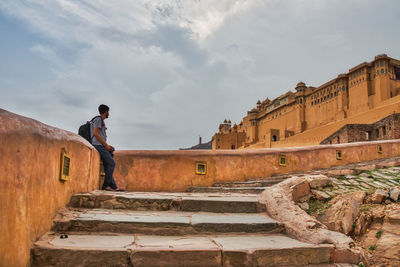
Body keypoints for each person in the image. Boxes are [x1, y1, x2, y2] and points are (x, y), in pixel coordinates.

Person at [91, 104, 122, 191]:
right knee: (111, 163)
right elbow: (96, 133)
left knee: (108, 164)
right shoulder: (98, 119)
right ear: (106, 111)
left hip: (101, 145)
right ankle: (106, 186)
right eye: (108, 112)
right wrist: (106, 146)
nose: (108, 113)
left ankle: (113, 186)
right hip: (98, 145)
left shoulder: (101, 121)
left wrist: (108, 146)